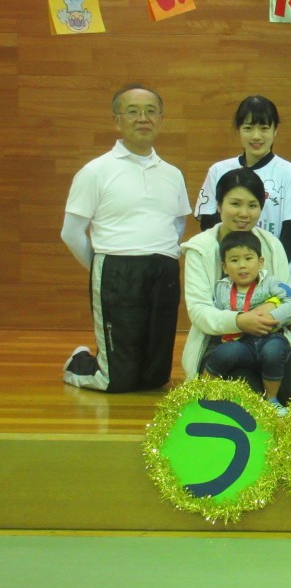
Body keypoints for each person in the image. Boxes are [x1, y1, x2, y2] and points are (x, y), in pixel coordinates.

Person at [61, 83, 191, 392]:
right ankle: (78, 362)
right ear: (117, 120)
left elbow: (178, 222)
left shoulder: (172, 173)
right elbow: (71, 231)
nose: (143, 118)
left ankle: (144, 373)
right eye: (132, 111)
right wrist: (100, 267)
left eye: (150, 111)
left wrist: (163, 251)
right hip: (116, 271)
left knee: (156, 377)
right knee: (115, 380)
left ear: (160, 119)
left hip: (164, 271)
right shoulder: (96, 171)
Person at [181, 169, 291, 401]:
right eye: (235, 204)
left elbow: (288, 302)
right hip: (221, 343)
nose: (244, 213)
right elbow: (199, 312)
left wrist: (266, 314)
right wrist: (240, 321)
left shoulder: (271, 246)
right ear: (219, 205)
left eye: (252, 205)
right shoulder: (199, 248)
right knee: (249, 399)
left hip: (269, 337)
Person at [194, 95, 291, 291]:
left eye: (264, 128)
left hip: (276, 278)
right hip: (228, 279)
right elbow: (209, 224)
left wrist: (264, 278)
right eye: (248, 128)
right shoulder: (218, 170)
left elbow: (290, 237)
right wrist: (232, 271)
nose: (256, 136)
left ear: (275, 130)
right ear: (239, 130)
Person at [202, 230, 291, 416]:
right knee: (223, 353)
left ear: (260, 262)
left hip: (268, 338)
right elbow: (213, 313)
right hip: (240, 343)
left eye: (248, 258)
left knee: (274, 351)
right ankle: (201, 392)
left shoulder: (271, 283)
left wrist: (271, 317)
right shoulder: (221, 288)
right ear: (224, 266)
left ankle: (271, 399)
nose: (242, 266)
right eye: (234, 260)